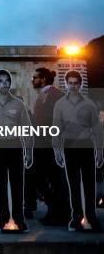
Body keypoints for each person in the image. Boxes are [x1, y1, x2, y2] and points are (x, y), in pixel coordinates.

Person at [0, 69, 33, 233]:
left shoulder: (18, 104)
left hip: (15, 146)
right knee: (0, 186)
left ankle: (19, 220)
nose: (5, 83)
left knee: (18, 185)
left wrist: (29, 151)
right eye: (1, 81)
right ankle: (2, 219)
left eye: (7, 80)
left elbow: (27, 128)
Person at [53, 70, 104, 232]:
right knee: (73, 184)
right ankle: (76, 218)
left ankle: (91, 217)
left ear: (80, 85)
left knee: (89, 185)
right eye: (71, 83)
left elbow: (96, 129)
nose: (73, 86)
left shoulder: (89, 104)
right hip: (69, 146)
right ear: (66, 84)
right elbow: (56, 128)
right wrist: (57, 150)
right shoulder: (60, 104)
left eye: (76, 83)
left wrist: (100, 151)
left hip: (86, 146)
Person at [25, 67, 69, 224]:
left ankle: (59, 212)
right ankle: (56, 209)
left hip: (50, 145)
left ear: (43, 79)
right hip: (42, 145)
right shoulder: (43, 95)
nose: (32, 81)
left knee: (53, 179)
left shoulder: (55, 95)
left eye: (34, 78)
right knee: (39, 177)